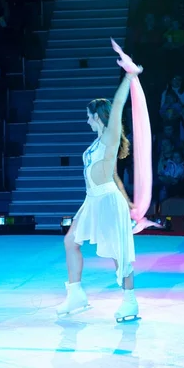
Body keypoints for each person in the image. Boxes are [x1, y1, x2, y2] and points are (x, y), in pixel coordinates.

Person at [56, 48, 143, 322]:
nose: (87, 120)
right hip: (92, 199)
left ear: (99, 116)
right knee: (70, 241)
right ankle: (76, 294)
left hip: (105, 200)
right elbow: (114, 174)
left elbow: (117, 106)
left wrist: (129, 78)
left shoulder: (110, 136)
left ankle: (130, 300)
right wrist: (128, 197)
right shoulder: (96, 143)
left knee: (119, 253)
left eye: (89, 116)